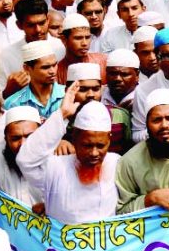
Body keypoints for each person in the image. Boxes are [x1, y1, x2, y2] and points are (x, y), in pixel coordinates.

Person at [16, 83, 119, 223]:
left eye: (100, 146)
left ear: (109, 140)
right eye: (87, 145)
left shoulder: (117, 164)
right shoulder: (56, 167)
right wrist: (62, 115)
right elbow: (25, 160)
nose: (94, 153)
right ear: (74, 139)